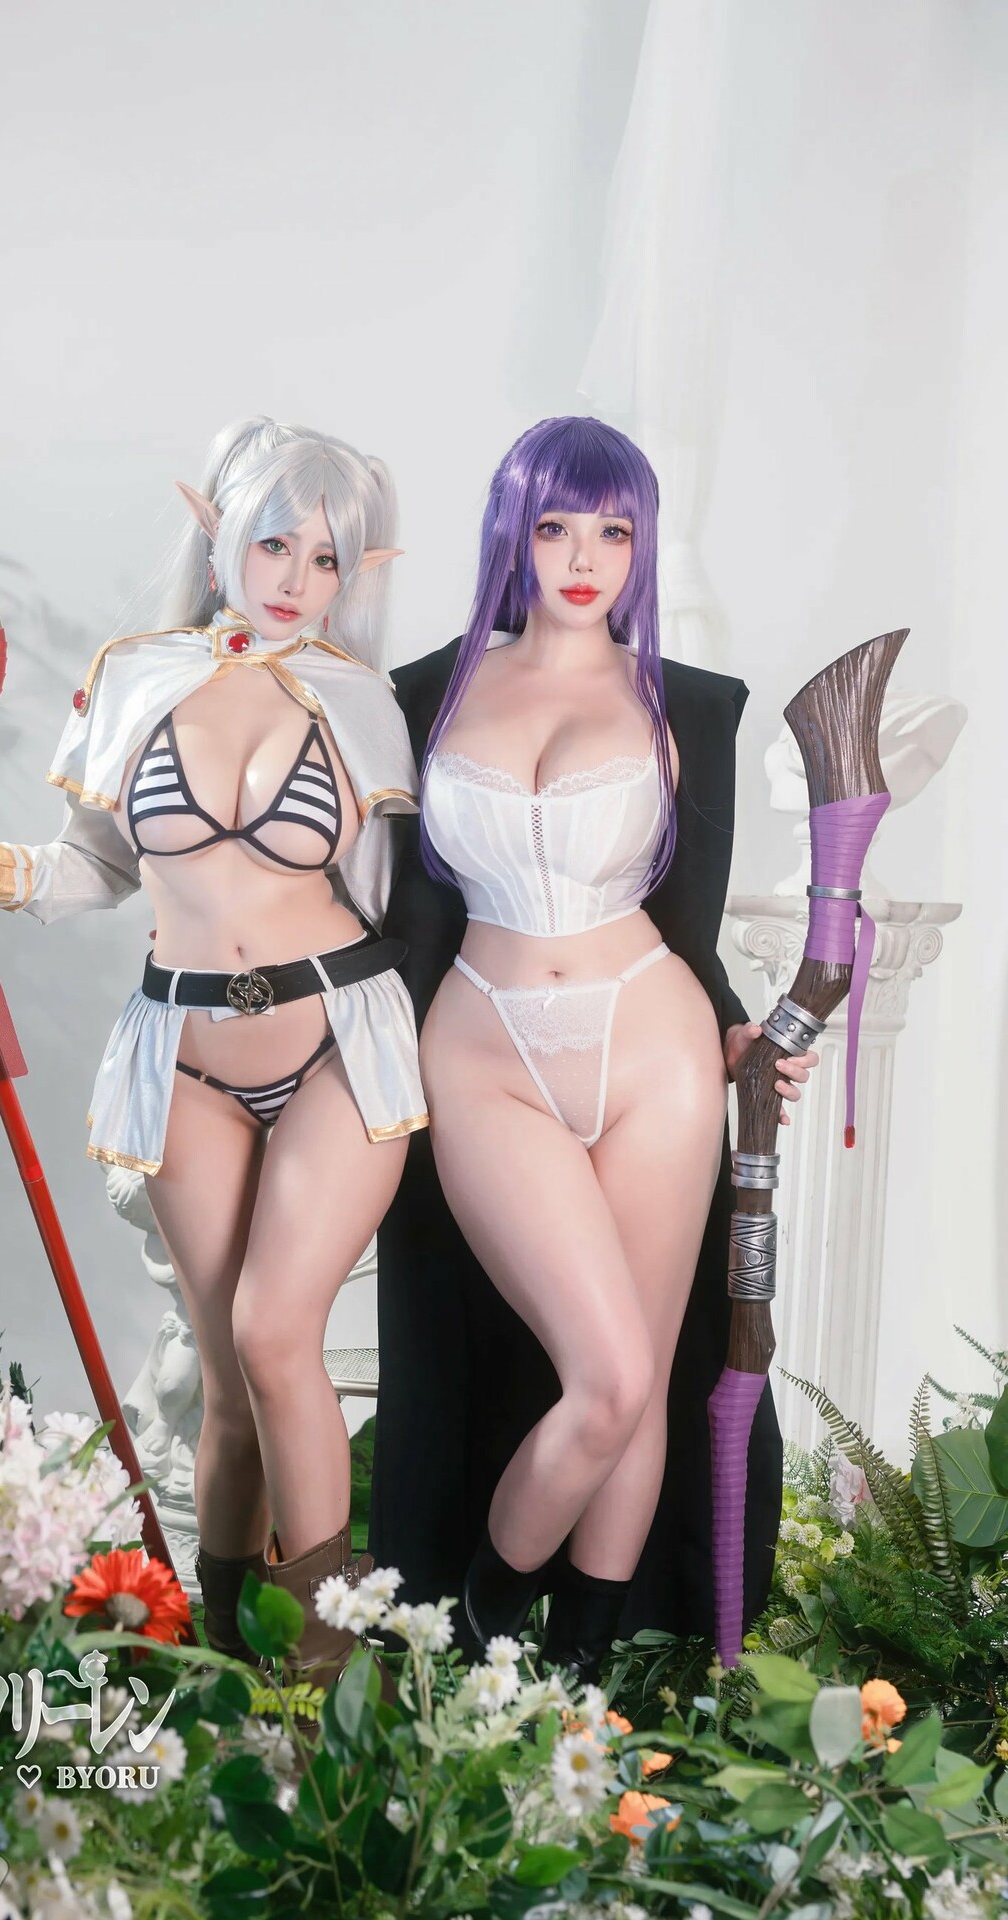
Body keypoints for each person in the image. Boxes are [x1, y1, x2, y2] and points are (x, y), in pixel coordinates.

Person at [0, 416, 426, 1685]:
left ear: (354, 572)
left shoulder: (363, 701)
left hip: (336, 1041)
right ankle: (227, 1660)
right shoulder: (135, 677)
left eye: (326, 558)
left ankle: (321, 1677)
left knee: (276, 1333)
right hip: (183, 1052)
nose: (294, 578)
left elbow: (401, 902)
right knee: (227, 1373)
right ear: (219, 532)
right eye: (274, 543)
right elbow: (93, 867)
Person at [370, 415, 817, 1679]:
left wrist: (738, 1030)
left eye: (613, 531)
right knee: (604, 1375)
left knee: (641, 1379)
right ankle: (475, 1639)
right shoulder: (420, 693)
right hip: (482, 1046)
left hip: (652, 1042)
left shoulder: (687, 703)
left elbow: (692, 913)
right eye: (555, 526)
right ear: (511, 532)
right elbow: (388, 904)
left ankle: (579, 1681)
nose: (582, 558)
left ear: (642, 544)